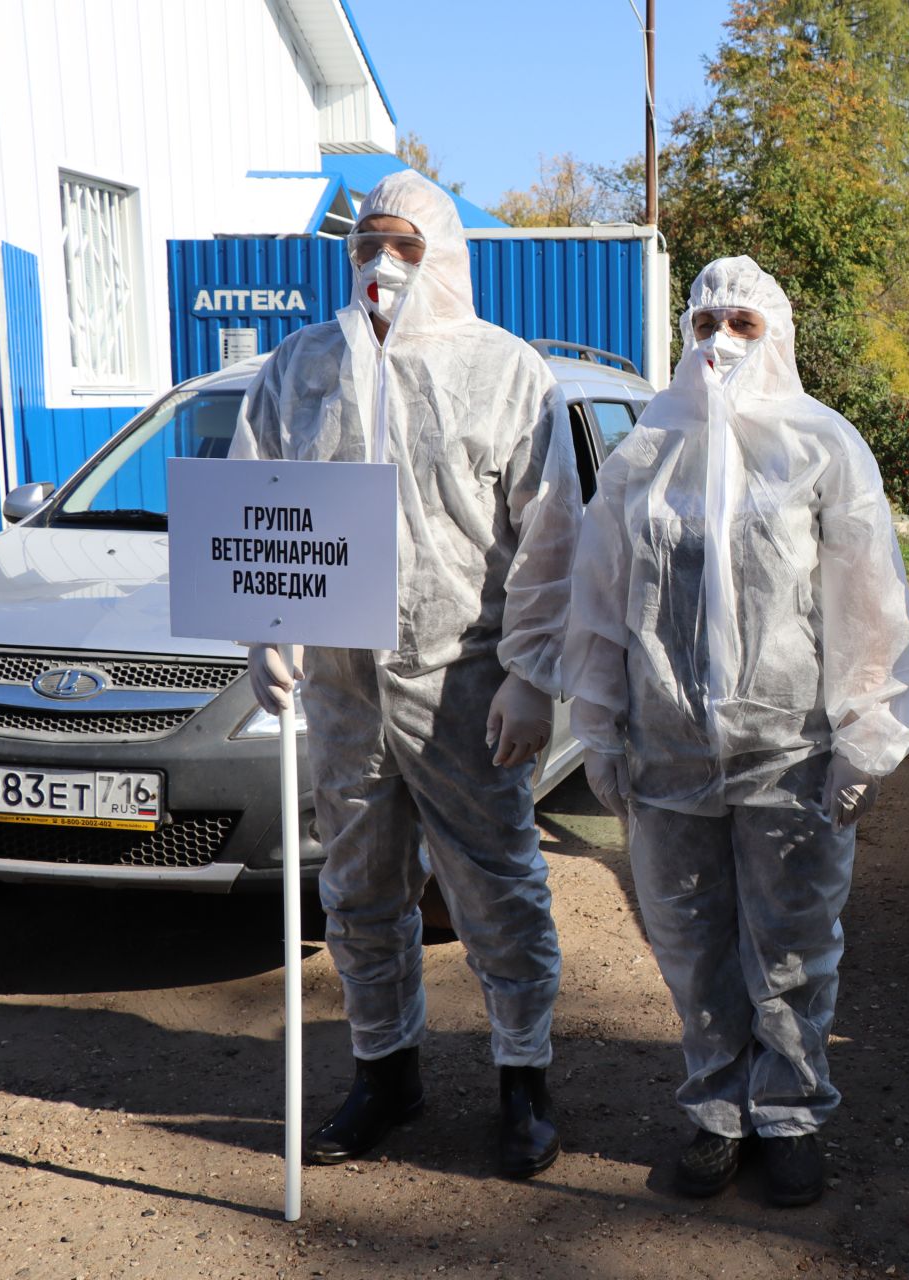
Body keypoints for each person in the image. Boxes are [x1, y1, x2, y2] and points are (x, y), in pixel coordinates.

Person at [235, 169, 580, 1179]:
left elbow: (551, 535)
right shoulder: (298, 370)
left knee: (497, 885)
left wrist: (532, 671)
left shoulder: (508, 373)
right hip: (342, 685)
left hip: (462, 683)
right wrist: (265, 628)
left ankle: (526, 1077)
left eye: (405, 245)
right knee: (358, 887)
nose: (380, 263)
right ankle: (385, 1069)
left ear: (445, 256)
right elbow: (255, 504)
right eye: (364, 245)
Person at [562, 256, 909, 1208]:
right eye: (706, 321)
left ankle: (792, 1111)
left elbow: (867, 602)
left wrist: (866, 733)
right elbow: (600, 597)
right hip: (668, 743)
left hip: (789, 745)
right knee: (691, 939)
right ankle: (717, 1109)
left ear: (777, 335)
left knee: (795, 938)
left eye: (744, 325)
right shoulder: (646, 450)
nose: (720, 340)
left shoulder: (821, 447)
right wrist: (596, 722)